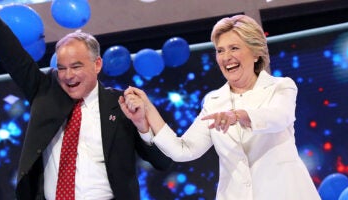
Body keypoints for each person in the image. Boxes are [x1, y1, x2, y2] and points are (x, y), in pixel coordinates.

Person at [0, 0, 172, 199]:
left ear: (97, 64)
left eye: (76, 67)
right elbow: (12, 54)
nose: (68, 75)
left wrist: (142, 126)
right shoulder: (45, 91)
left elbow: (162, 161)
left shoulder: (122, 104)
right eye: (62, 68)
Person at [119, 15, 321, 199]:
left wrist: (238, 116)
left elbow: (278, 118)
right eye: (220, 50)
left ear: (256, 53)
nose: (226, 57)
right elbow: (184, 150)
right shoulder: (214, 101)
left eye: (234, 48)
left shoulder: (280, 87)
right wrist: (148, 108)